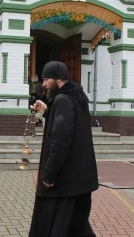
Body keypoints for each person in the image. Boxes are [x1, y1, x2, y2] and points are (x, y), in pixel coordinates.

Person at [29, 61, 98, 237]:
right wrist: (47, 111)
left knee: (59, 227)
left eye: (46, 79)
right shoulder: (75, 97)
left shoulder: (63, 100)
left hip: (64, 181)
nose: (43, 84)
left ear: (59, 79)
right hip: (78, 179)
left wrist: (49, 174)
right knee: (76, 226)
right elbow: (68, 126)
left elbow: (61, 139)